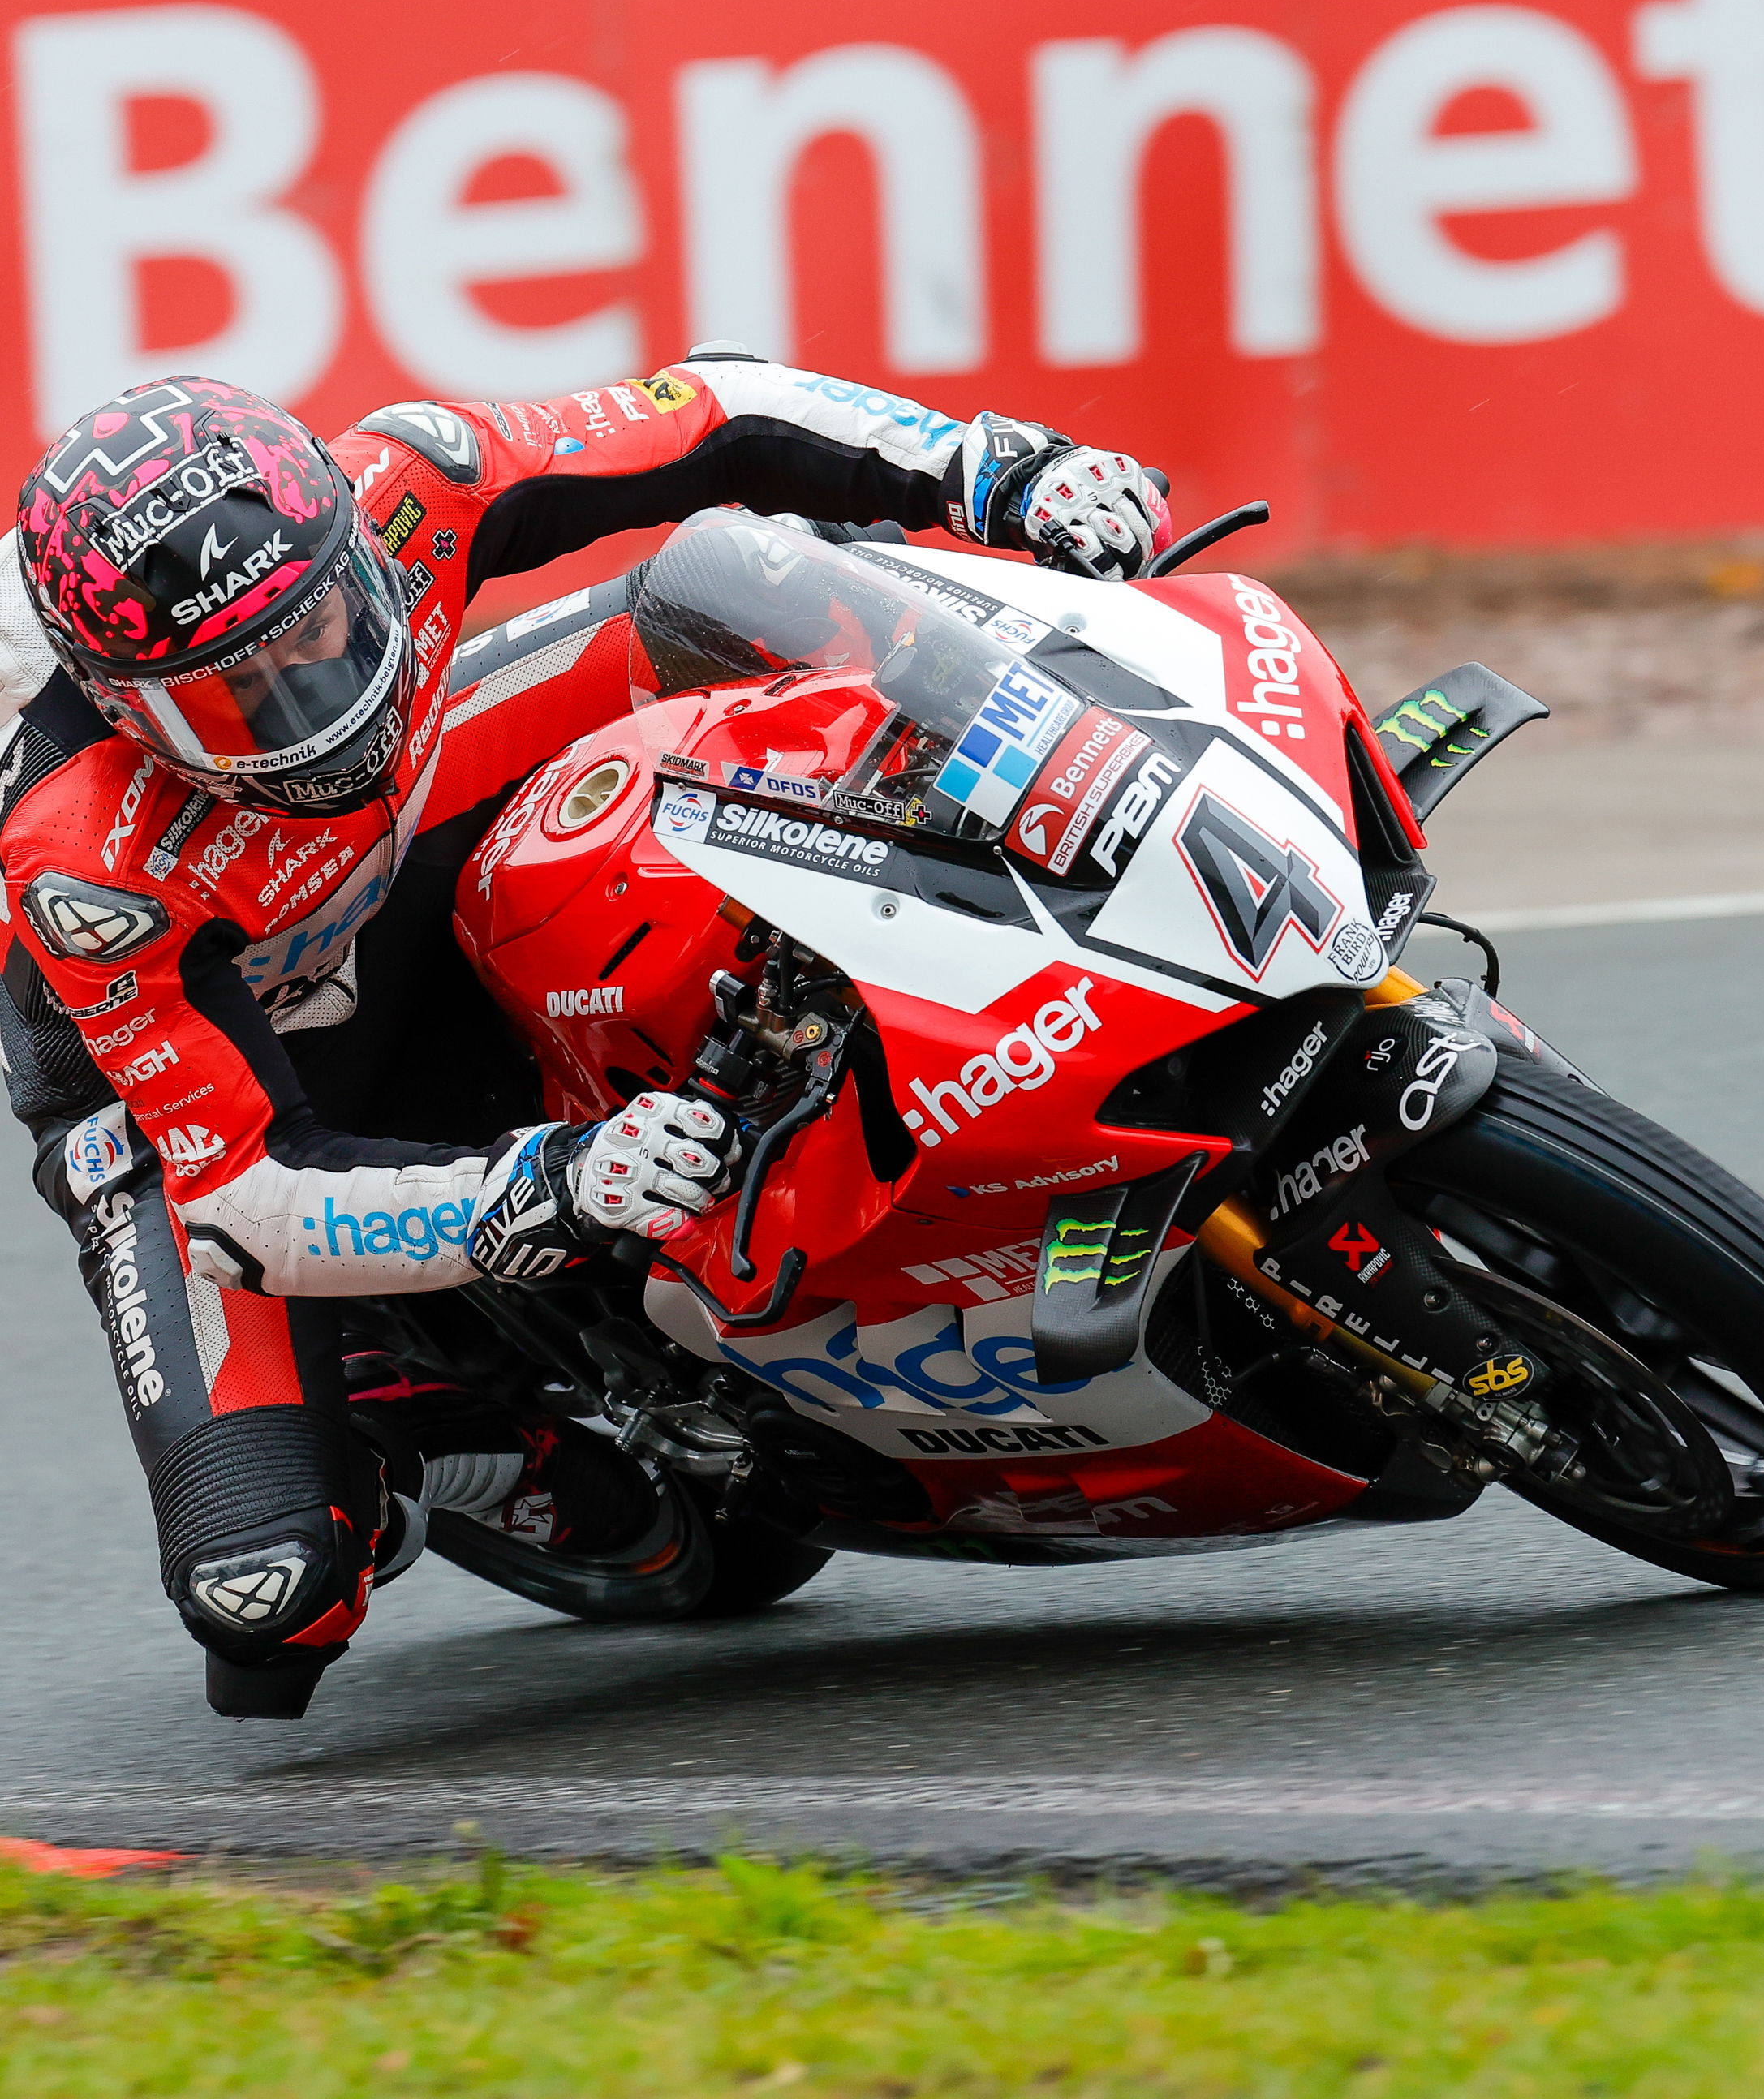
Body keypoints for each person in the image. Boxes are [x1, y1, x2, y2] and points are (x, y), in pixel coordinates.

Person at [0, 354, 1169, 1718]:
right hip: (205, 1085)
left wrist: (991, 468)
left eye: (323, 630)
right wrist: (542, 1190)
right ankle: (427, 1443)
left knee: (740, 592)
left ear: (349, 542)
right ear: (131, 709)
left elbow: (712, 414)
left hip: (420, 800)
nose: (313, 703)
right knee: (262, 1592)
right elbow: (251, 1191)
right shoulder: (83, 862)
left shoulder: (408, 480)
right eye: (235, 692)